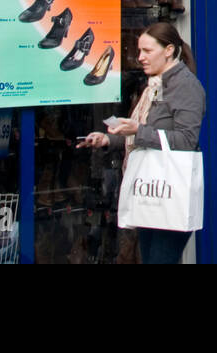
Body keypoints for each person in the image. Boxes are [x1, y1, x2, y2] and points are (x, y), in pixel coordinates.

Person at [80, 22, 205, 264]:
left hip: (169, 190)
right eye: (139, 51)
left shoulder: (186, 86)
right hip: (151, 190)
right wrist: (108, 138)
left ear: (169, 50)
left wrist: (139, 130)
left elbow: (187, 140)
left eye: (147, 51)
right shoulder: (154, 86)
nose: (140, 58)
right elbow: (141, 134)